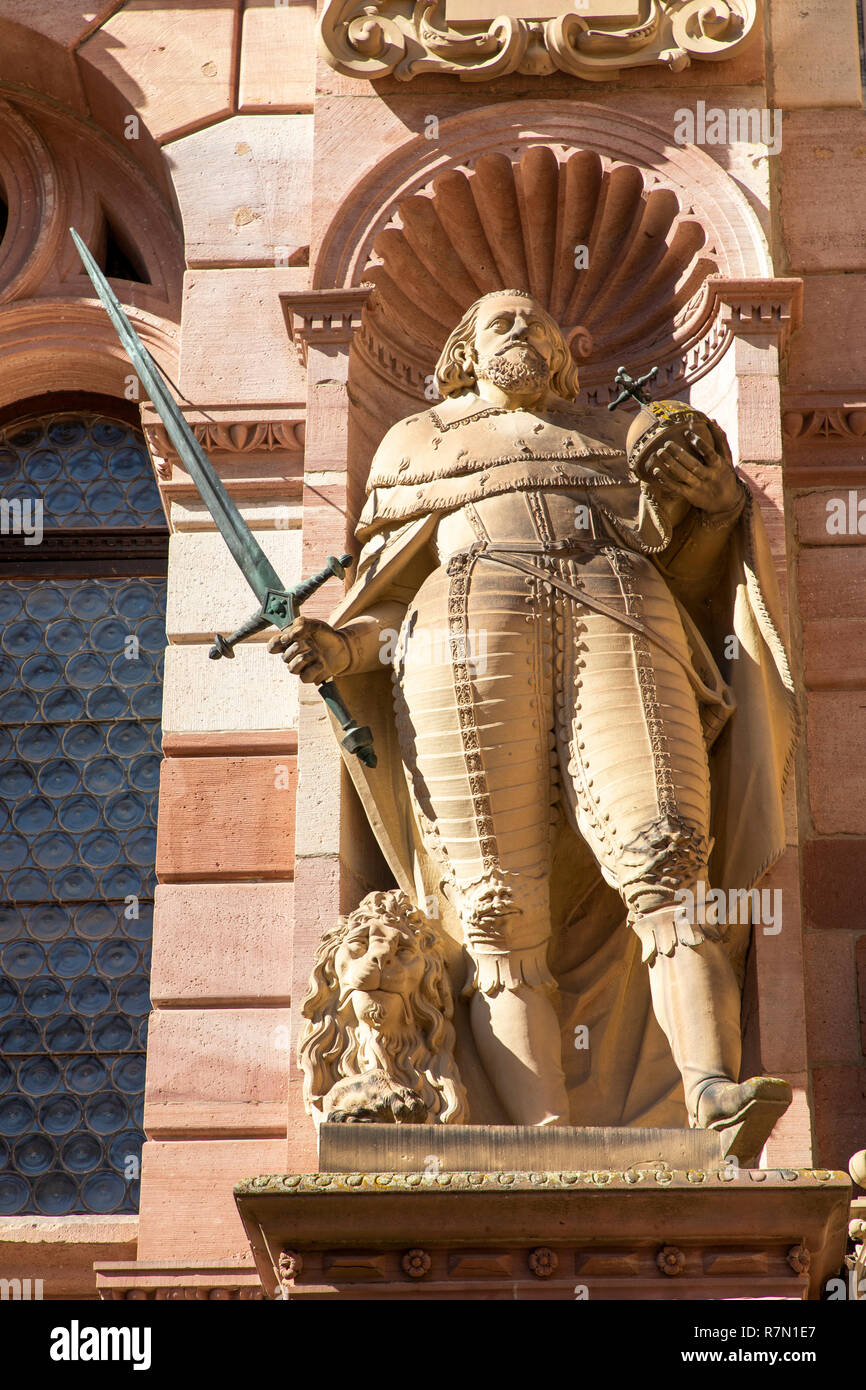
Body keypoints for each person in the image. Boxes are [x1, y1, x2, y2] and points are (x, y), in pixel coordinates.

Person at [269, 290, 798, 1159]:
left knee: (668, 851)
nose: (522, 330)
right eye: (499, 321)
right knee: (497, 908)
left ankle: (710, 1092)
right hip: (462, 637)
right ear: (464, 352)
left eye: (538, 321)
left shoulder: (607, 435)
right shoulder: (416, 442)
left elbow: (692, 570)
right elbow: (390, 602)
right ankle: (540, 1142)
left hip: (623, 618)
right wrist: (339, 649)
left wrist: (715, 504)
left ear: (564, 351)